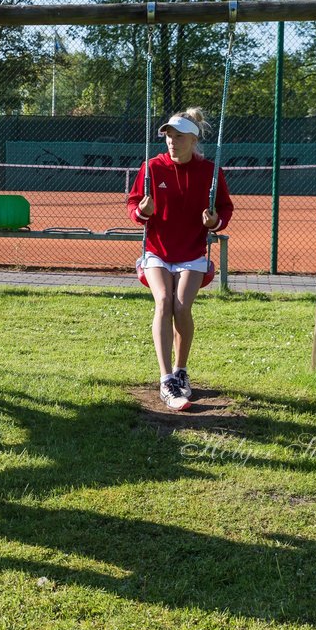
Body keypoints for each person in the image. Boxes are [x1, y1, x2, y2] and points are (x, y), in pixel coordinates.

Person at [126, 108, 233, 412]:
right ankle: (165, 380)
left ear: (193, 140)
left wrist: (214, 221)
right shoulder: (151, 167)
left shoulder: (210, 171)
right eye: (169, 136)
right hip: (157, 252)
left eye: (178, 137)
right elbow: (134, 204)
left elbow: (225, 208)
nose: (172, 142)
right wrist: (142, 213)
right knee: (163, 301)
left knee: (182, 305)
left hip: (192, 254)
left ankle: (180, 370)